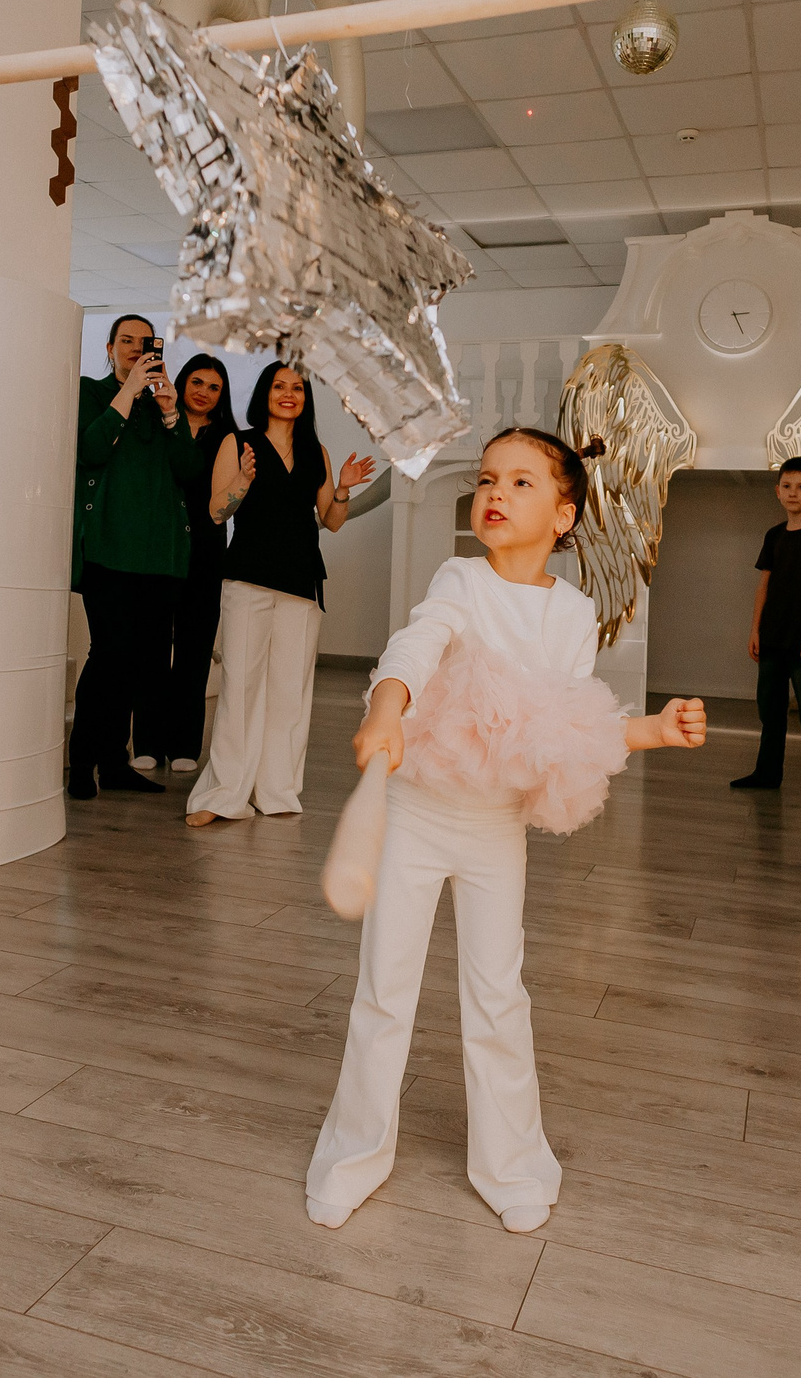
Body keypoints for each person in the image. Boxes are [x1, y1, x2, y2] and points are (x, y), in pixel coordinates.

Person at [307, 428, 708, 1234]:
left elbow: (565, 723)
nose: (494, 491)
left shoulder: (573, 611)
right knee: (385, 989)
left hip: (494, 830)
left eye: (522, 482)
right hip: (414, 813)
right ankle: (354, 1153)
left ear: (564, 514)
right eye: (489, 477)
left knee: (498, 994)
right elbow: (417, 643)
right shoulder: (458, 577)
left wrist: (652, 731)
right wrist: (388, 703)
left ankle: (512, 1162)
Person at [184, 364, 376, 826]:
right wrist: (244, 481)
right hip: (247, 578)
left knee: (290, 694)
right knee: (241, 690)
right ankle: (224, 794)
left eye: (297, 388)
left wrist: (344, 488)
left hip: (301, 583)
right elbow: (215, 512)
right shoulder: (238, 442)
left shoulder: (317, 452)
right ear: (264, 394)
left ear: (306, 398)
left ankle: (276, 791)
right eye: (279, 387)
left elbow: (330, 520)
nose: (288, 394)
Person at [71, 314, 206, 801]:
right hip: (108, 552)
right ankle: (82, 762)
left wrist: (172, 412)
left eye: (142, 341)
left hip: (162, 559)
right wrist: (127, 390)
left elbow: (191, 473)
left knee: (138, 665)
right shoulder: (91, 391)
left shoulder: (163, 405)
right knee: (107, 657)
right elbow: (88, 450)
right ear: (109, 348)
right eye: (125, 340)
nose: (134, 347)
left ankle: (115, 762)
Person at [134, 354, 237, 773]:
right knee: (152, 649)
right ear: (182, 382)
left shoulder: (229, 436)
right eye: (197, 382)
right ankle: (147, 742)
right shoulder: (157, 421)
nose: (204, 392)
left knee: (194, 653)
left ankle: (184, 747)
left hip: (207, 552)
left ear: (221, 395)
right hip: (158, 548)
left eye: (214, 387)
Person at [728, 457, 801, 807]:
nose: (794, 493)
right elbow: (764, 585)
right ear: (778, 492)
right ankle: (767, 774)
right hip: (772, 638)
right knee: (770, 711)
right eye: (788, 486)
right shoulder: (774, 535)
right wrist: (754, 630)